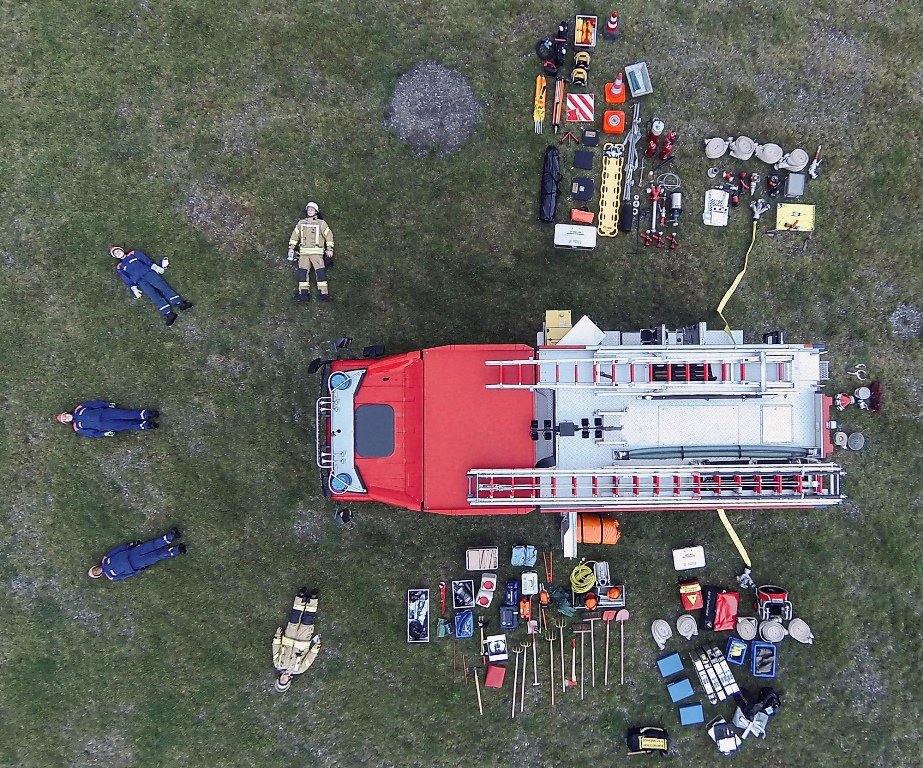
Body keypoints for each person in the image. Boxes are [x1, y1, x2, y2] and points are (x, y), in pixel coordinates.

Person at [110, 245, 193, 326]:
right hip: (140, 281)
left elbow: (145, 260)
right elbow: (126, 278)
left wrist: (155, 267)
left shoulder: (133, 253)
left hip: (148, 273)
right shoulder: (120, 267)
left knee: (163, 287)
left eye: (118, 251)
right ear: (116, 257)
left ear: (122, 250)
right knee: (153, 295)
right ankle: (168, 313)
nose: (118, 253)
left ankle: (180, 303)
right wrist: (133, 288)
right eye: (115, 254)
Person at [88, 528, 186, 581]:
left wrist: (130, 545)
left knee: (151, 545)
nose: (96, 571)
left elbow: (117, 549)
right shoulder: (112, 576)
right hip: (136, 564)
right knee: (156, 556)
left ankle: (171, 536)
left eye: (94, 570)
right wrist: (138, 570)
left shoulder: (105, 559)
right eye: (96, 573)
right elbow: (127, 575)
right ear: (99, 575)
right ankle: (177, 550)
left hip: (132, 553)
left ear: (95, 567)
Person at [272, 588, 321, 691]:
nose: (284, 678)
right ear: (289, 680)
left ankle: (300, 597)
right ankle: (312, 599)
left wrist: (277, 636)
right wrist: (316, 648)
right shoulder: (299, 669)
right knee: (308, 620)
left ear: (279, 677)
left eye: (281, 679)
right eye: (285, 681)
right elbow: (309, 658)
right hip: (303, 640)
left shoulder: (278, 664)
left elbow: (276, 649)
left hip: (289, 637)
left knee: (294, 617)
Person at [287, 203, 334, 302]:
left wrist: (329, 249)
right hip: (303, 253)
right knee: (302, 273)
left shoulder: (321, 223)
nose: (310, 211)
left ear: (316, 211)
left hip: (317, 253)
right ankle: (303, 293)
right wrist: (291, 248)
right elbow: (295, 236)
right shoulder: (301, 223)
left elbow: (328, 236)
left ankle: (323, 293)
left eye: (312, 210)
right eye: (308, 210)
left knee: (320, 273)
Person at [56, 400, 159, 437]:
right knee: (126, 425)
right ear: (66, 422)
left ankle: (147, 414)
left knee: (126, 414)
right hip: (105, 426)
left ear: (66, 413)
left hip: (106, 413)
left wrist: (107, 405)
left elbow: (94, 404)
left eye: (65, 415)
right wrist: (104, 433)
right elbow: (92, 433)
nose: (66, 417)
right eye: (65, 419)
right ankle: (146, 425)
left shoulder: (80, 408)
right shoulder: (77, 428)